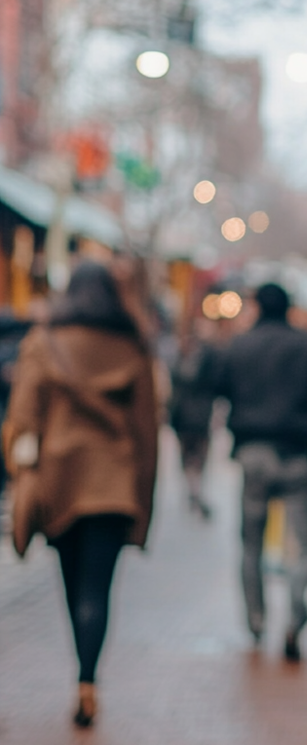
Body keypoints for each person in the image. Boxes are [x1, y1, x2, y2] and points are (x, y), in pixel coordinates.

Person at [2, 261, 159, 728]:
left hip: (59, 481)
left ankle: (82, 673)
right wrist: (145, 503)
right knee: (99, 588)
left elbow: (23, 420)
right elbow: (147, 434)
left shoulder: (42, 343)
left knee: (72, 585)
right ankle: (87, 680)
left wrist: (21, 468)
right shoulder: (133, 346)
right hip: (115, 486)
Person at [212, 282, 307, 662]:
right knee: (300, 546)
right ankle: (295, 621)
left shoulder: (239, 344)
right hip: (296, 454)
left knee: (250, 543)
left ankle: (255, 621)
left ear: (256, 306)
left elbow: (219, 386)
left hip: (253, 453)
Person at [167, 317, 218, 519]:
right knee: (193, 456)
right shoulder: (190, 357)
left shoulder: (200, 357)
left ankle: (194, 491)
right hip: (192, 415)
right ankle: (194, 491)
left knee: (192, 456)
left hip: (191, 415)